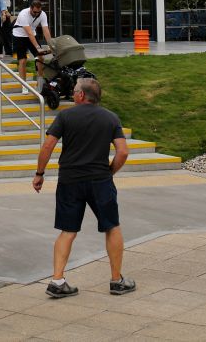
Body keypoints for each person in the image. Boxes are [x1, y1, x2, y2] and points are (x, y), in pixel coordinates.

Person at [32, 78, 135, 299]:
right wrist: (110, 172)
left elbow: (48, 146)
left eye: (74, 91)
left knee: (68, 230)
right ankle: (116, 281)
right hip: (100, 181)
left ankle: (57, 281)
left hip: (70, 180)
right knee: (112, 227)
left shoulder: (65, 116)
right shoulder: (110, 118)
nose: (72, 94)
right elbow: (123, 152)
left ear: (81, 95)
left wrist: (39, 173)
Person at [12, 0, 53, 91]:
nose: (36, 14)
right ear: (30, 8)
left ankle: (39, 83)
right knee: (23, 60)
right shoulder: (23, 14)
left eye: (38, 12)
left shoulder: (42, 14)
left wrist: (51, 44)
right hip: (19, 35)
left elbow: (45, 30)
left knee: (41, 58)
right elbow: (29, 33)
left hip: (32, 34)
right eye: (34, 12)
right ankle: (24, 85)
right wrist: (38, 48)